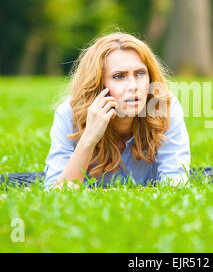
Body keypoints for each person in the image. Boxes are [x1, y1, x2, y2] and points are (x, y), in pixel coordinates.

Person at [43, 32, 191, 191]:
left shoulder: (164, 107)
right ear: (97, 85)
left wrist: (99, 193)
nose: (134, 85)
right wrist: (89, 138)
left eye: (140, 73)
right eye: (119, 76)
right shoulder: (69, 114)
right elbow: (56, 192)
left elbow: (177, 187)